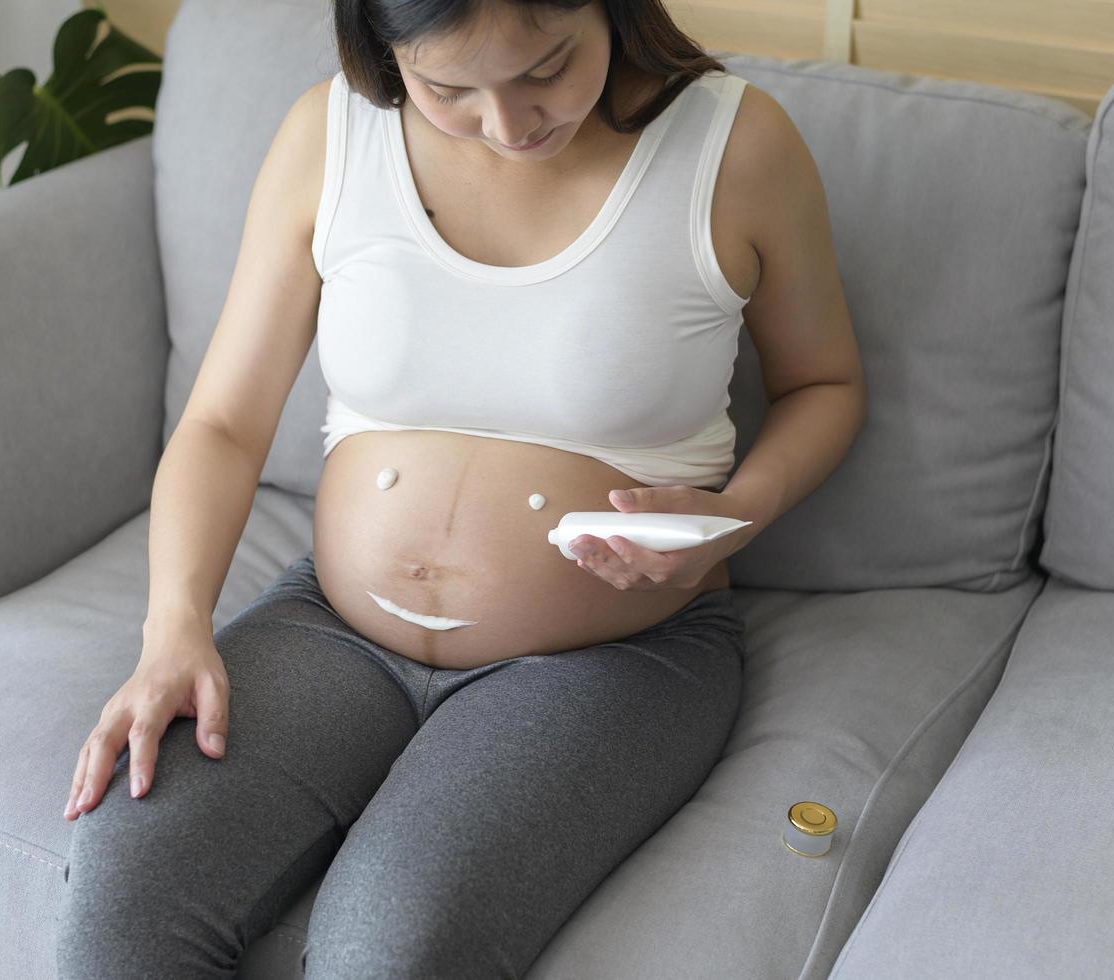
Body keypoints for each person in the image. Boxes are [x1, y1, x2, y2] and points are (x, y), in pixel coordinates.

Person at [55, 0, 865, 974]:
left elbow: (825, 384)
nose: (509, 125)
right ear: (385, 50)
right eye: (448, 90)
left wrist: (734, 513)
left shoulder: (733, 146)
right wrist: (173, 628)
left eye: (547, 66)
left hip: (613, 651)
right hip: (334, 624)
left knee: (389, 949)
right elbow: (223, 424)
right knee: (124, 894)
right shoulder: (330, 134)